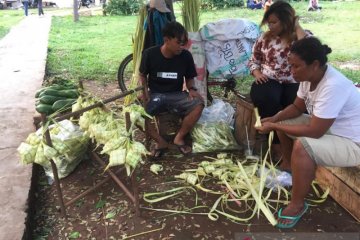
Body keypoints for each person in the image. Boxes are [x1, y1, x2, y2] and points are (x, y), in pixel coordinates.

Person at [255, 37, 360, 228]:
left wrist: (275, 127)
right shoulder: (308, 77)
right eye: (291, 65)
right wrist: (275, 119)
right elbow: (296, 107)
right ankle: (289, 169)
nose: (291, 71)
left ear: (315, 64)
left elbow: (314, 131)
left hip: (352, 142)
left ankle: (297, 204)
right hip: (329, 129)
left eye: (296, 66)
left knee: (302, 146)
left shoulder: (333, 85)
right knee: (285, 120)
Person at [248, 1, 308, 160]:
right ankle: (273, 142)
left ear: (286, 21)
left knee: (295, 103)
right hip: (269, 78)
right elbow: (253, 60)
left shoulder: (302, 36)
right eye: (268, 22)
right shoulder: (265, 38)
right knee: (266, 97)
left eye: (274, 22)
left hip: (294, 81)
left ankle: (295, 143)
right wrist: (257, 72)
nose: (270, 26)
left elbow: (308, 50)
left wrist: (296, 26)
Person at [139, 21, 204, 159]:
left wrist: (191, 88)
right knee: (136, 113)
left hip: (176, 95)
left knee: (198, 103)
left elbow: (189, 78)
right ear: (166, 40)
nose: (182, 46)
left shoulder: (185, 56)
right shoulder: (150, 54)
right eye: (179, 42)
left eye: (184, 43)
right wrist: (144, 93)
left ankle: (179, 138)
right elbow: (142, 75)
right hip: (155, 95)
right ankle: (160, 142)